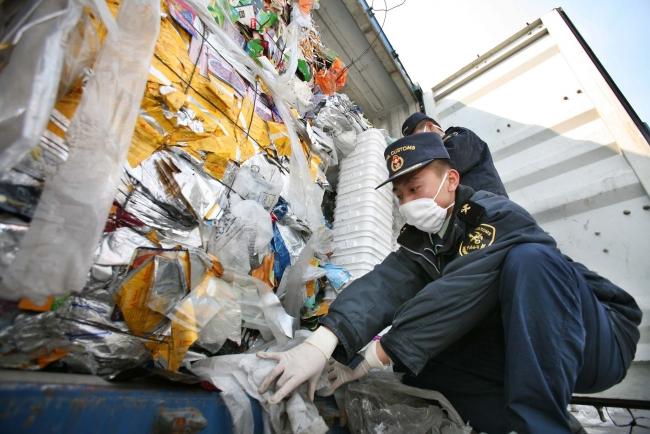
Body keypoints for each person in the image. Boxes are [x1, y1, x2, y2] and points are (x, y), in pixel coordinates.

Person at [257, 133, 642, 433]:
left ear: (451, 180)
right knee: (423, 368)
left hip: (598, 336)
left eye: (415, 187)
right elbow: (383, 286)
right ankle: (494, 425)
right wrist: (322, 345)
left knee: (528, 259)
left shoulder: (494, 214)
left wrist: (375, 358)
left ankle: (545, 428)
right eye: (400, 194)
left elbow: (459, 290)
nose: (407, 201)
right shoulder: (422, 243)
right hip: (528, 343)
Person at [402, 111, 508, 197]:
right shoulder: (434, 154)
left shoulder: (462, 135)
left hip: (492, 206)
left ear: (430, 126)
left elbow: (447, 163)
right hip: (470, 213)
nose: (418, 145)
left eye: (418, 138)